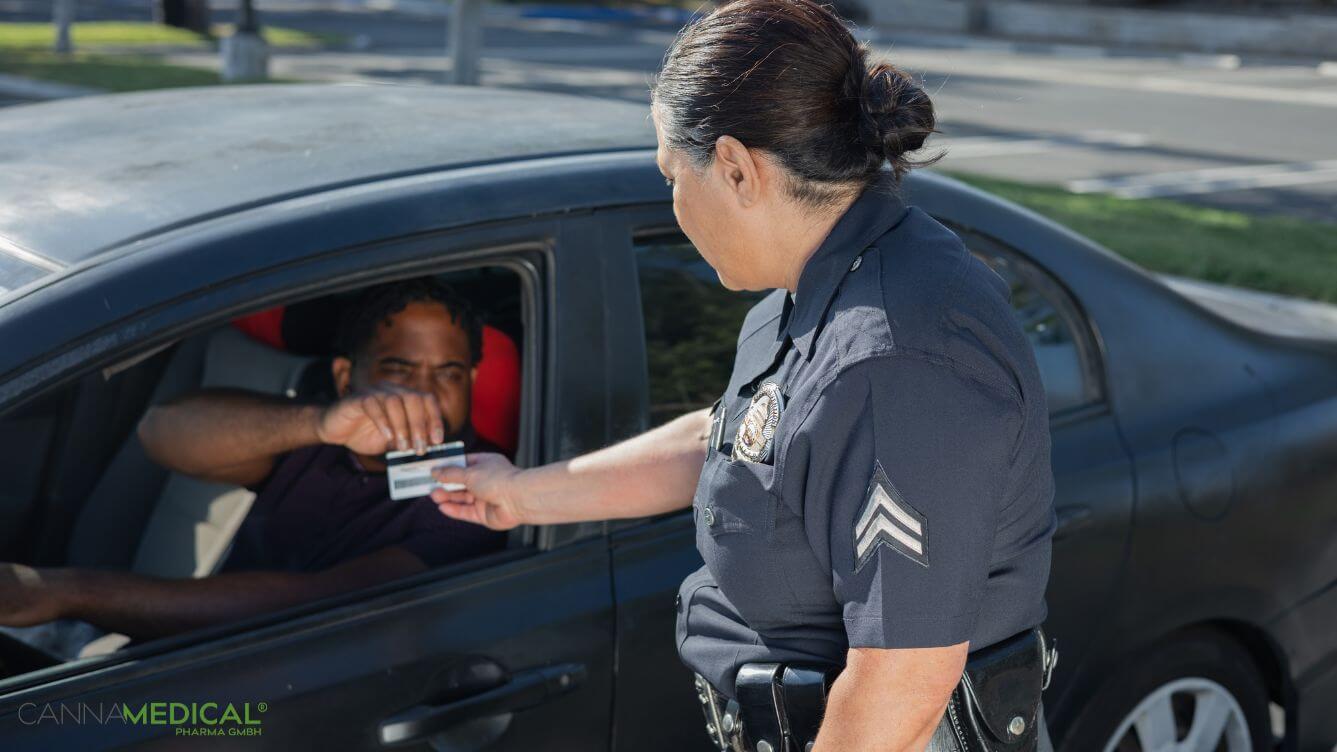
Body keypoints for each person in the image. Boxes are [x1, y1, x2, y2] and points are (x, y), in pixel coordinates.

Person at [428, 1, 1058, 750]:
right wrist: (518, 496)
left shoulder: (892, 362)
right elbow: (739, 442)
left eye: (671, 174)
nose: (673, 202)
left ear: (734, 167)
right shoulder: (819, 283)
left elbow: (902, 682)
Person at [0, 279, 506, 654]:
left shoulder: (480, 486)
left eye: (449, 373)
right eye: (398, 368)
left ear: (473, 380)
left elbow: (310, 604)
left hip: (274, 697)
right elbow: (162, 433)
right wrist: (322, 423)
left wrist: (66, 591)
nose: (420, 391)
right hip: (177, 663)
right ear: (346, 376)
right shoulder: (323, 436)